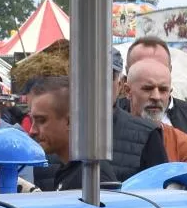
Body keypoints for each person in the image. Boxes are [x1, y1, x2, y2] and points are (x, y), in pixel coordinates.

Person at [26, 76, 167, 190]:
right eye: (32, 120)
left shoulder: (91, 179)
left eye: (41, 120)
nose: (32, 131)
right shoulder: (74, 172)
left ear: (70, 121)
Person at [123, 35, 187, 144]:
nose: (152, 72)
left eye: (159, 66)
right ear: (127, 72)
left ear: (170, 69)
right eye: (142, 66)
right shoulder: (110, 119)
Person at [123, 58, 187, 164]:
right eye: (148, 88)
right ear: (128, 91)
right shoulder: (108, 140)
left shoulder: (185, 146)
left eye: (163, 90)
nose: (156, 97)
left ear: (170, 92)